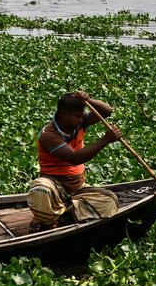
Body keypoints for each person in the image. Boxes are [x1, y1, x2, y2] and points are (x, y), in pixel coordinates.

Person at [27, 91, 122, 232]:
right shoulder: (49, 134)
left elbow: (107, 111)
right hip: (55, 186)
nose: (80, 119)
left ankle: (57, 217)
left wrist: (88, 100)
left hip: (77, 188)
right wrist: (105, 140)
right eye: (77, 116)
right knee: (40, 189)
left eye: (81, 115)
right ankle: (56, 214)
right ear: (64, 113)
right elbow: (75, 158)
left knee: (110, 200)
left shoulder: (79, 123)